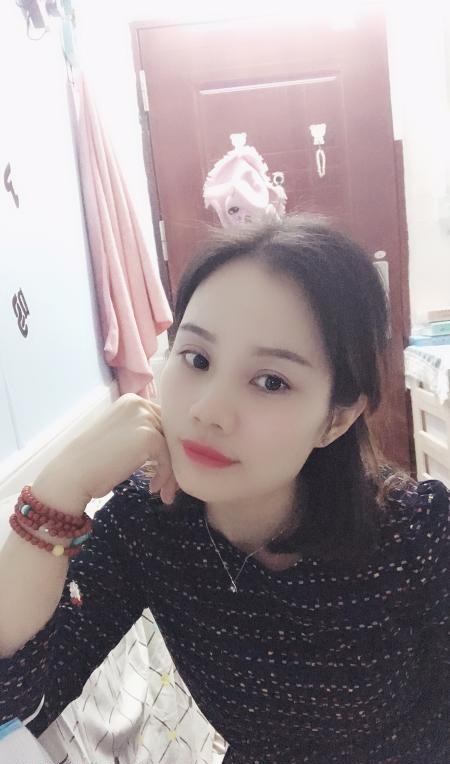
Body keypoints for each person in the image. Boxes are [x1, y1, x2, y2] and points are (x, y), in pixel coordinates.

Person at [0, 214, 448, 764]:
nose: (208, 409)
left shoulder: (416, 537)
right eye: (197, 359)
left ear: (336, 419)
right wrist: (60, 488)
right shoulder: (148, 520)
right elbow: (16, 705)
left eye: (271, 381)